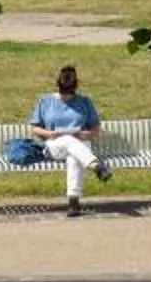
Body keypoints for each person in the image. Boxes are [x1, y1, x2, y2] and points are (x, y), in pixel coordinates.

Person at [29, 63, 112, 213]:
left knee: (74, 157)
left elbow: (96, 127)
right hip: (54, 145)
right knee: (68, 141)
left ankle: (73, 202)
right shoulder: (45, 101)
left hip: (81, 145)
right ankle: (96, 166)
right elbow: (34, 128)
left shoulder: (84, 102)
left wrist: (88, 134)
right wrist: (50, 134)